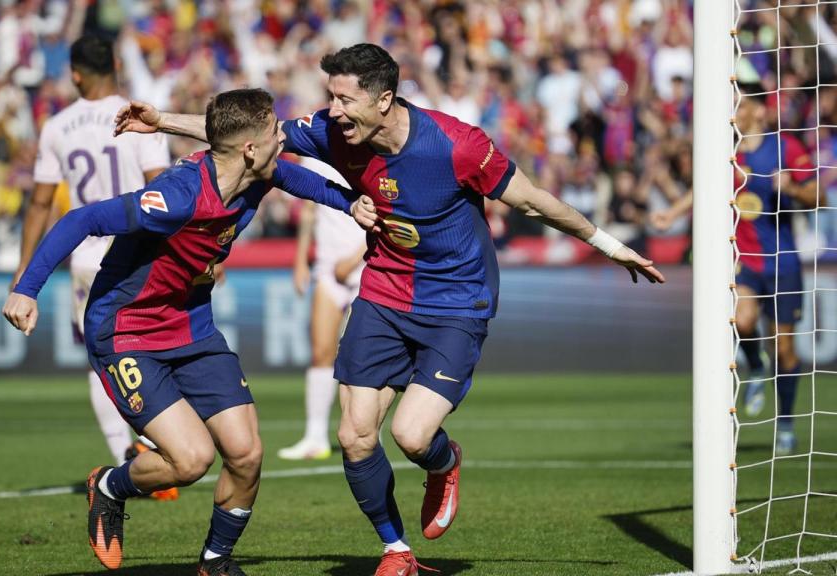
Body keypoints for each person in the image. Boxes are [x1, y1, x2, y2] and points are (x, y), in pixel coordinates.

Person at [114, 43, 664, 576]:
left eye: (345, 99)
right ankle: (396, 550)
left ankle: (444, 464)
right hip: (383, 293)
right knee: (354, 436)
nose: (333, 111)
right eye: (331, 97)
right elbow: (244, 139)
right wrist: (160, 119)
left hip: (456, 302)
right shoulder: (337, 132)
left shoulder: (458, 145)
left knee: (413, 436)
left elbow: (533, 200)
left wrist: (610, 246)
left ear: (383, 100)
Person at [4, 88, 375, 576]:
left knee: (246, 453)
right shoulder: (176, 197)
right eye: (273, 131)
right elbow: (83, 218)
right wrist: (26, 288)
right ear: (249, 148)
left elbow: (306, 182)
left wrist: (352, 204)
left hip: (191, 325)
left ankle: (215, 562)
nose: (282, 137)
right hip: (127, 330)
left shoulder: (258, 173)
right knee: (191, 460)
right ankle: (112, 485)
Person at [11, 35, 177, 495]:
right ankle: (153, 446)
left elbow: (40, 203)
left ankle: (127, 449)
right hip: (137, 253)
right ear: (118, 63)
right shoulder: (140, 115)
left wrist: (26, 272)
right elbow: (160, 190)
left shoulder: (58, 126)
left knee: (98, 363)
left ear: (76, 73)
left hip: (86, 258)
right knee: (151, 348)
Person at [655, 86, 822, 454]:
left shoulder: (786, 149)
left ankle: (786, 423)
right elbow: (705, 187)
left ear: (761, 112)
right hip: (743, 261)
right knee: (742, 322)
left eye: (743, 104)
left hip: (783, 263)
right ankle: (755, 364)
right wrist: (672, 212)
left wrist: (792, 188)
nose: (736, 110)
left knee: (787, 352)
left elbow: (819, 196)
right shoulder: (726, 149)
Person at [279, 158, 366, 461]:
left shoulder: (367, 150)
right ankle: (315, 436)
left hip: (366, 267)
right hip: (328, 268)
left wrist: (355, 259)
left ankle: (368, 433)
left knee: (363, 357)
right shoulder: (312, 155)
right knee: (321, 352)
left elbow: (384, 212)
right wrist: (301, 259)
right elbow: (309, 209)